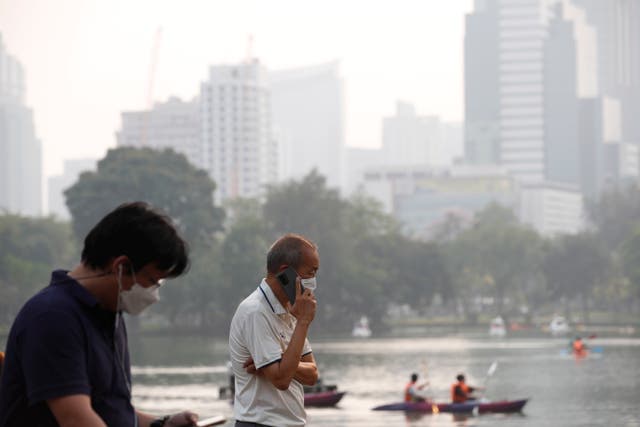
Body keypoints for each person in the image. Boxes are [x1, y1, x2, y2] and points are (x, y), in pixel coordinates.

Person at [0, 202, 199, 427]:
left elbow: (111, 410)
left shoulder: (109, 312)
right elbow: (76, 419)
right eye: (152, 281)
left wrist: (162, 424)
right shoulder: (52, 317)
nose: (154, 293)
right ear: (121, 266)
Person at [229, 233, 319, 427]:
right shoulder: (255, 311)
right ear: (286, 272)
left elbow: (312, 374)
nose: (313, 281)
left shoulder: (290, 311)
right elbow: (281, 379)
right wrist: (303, 321)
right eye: (310, 273)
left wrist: (280, 361)